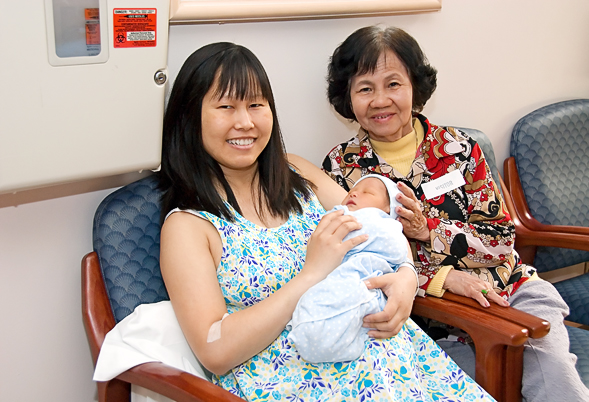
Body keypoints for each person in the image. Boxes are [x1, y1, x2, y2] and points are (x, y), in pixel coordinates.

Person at [157, 42, 495, 401]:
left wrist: (407, 279)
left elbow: (379, 228)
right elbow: (216, 352)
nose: (246, 122)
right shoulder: (188, 226)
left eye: (256, 104)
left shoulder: (297, 172)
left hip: (395, 361)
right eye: (226, 107)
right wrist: (312, 274)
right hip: (298, 381)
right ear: (190, 117)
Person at [322, 25, 589, 402]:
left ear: (415, 87)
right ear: (347, 97)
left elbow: (500, 242)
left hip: (512, 291)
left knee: (559, 386)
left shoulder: (458, 148)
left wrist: (426, 229)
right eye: (365, 88)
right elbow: (353, 265)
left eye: (393, 84)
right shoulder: (341, 169)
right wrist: (443, 279)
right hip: (425, 321)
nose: (380, 100)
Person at [288, 175, 417, 363]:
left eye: (367, 192)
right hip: (333, 277)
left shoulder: (379, 223)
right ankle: (318, 336)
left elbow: (395, 246)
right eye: (351, 191)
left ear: (389, 209)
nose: (354, 192)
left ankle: (322, 338)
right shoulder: (341, 214)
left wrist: (408, 274)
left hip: (368, 281)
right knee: (324, 303)